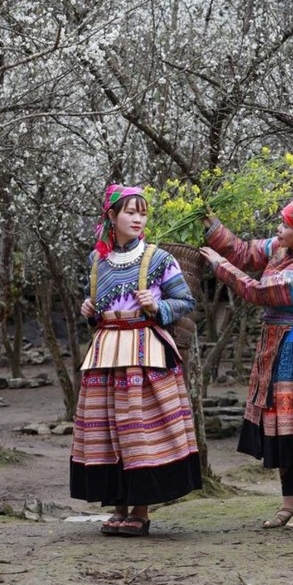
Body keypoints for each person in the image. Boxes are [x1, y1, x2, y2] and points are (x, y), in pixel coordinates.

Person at [199, 194, 293, 529]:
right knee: (280, 425)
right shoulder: (281, 250)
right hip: (278, 350)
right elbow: (246, 252)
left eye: (285, 225)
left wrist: (220, 266)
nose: (278, 229)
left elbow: (257, 291)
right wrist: (211, 226)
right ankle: (288, 503)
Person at [70, 183, 202, 536]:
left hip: (144, 355)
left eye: (142, 213)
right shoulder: (97, 260)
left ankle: (140, 512)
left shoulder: (159, 259)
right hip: (105, 353)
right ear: (111, 216)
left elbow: (185, 302)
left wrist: (157, 306)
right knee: (109, 428)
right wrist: (90, 311)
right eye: (130, 211)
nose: (138, 218)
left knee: (139, 428)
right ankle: (117, 508)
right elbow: (100, 308)